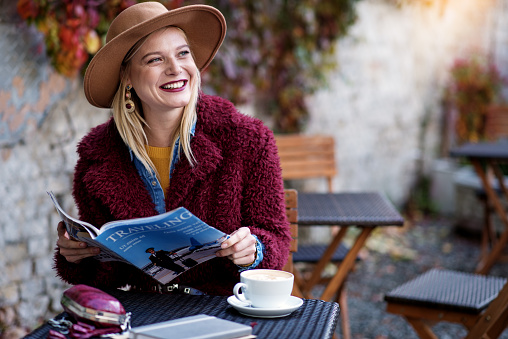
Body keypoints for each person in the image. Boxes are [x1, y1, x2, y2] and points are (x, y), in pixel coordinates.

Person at [55, 2, 291, 296]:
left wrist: (253, 248)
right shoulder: (97, 155)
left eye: (183, 53)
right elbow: (100, 275)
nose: (176, 68)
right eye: (155, 59)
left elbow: (277, 241)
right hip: (141, 312)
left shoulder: (248, 139)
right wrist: (76, 254)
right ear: (126, 77)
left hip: (223, 308)